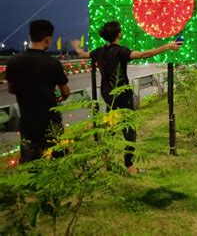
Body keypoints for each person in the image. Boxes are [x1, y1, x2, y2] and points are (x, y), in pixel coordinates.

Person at [71, 21, 182, 173]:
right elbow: (144, 54)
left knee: (111, 128)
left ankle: (105, 161)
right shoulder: (121, 51)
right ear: (118, 34)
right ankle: (129, 166)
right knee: (129, 131)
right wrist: (167, 46)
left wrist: (76, 46)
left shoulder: (99, 52)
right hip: (122, 96)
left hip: (107, 95)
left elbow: (83, 54)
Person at [6, 19, 71, 163]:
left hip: (28, 123)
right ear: (48, 40)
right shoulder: (53, 63)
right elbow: (65, 91)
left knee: (31, 164)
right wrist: (59, 97)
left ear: (30, 37)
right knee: (58, 161)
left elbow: (11, 88)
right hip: (51, 123)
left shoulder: (13, 61)